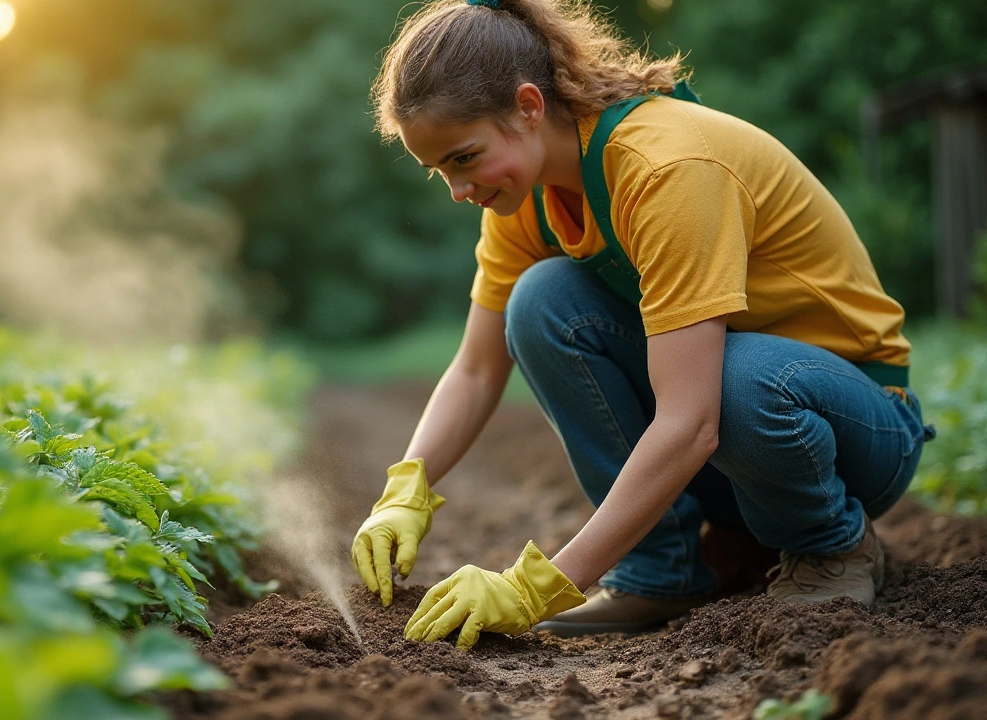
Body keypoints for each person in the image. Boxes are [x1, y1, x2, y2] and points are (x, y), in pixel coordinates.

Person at [350, 0, 936, 651]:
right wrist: (405, 488)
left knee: (734, 381)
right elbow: (477, 368)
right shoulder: (524, 200)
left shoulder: (665, 171)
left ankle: (831, 545)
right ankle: (661, 573)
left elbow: (691, 422)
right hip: (736, 448)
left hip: (858, 432)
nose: (458, 190)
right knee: (540, 300)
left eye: (464, 158)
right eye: (440, 171)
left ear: (528, 107)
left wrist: (541, 584)